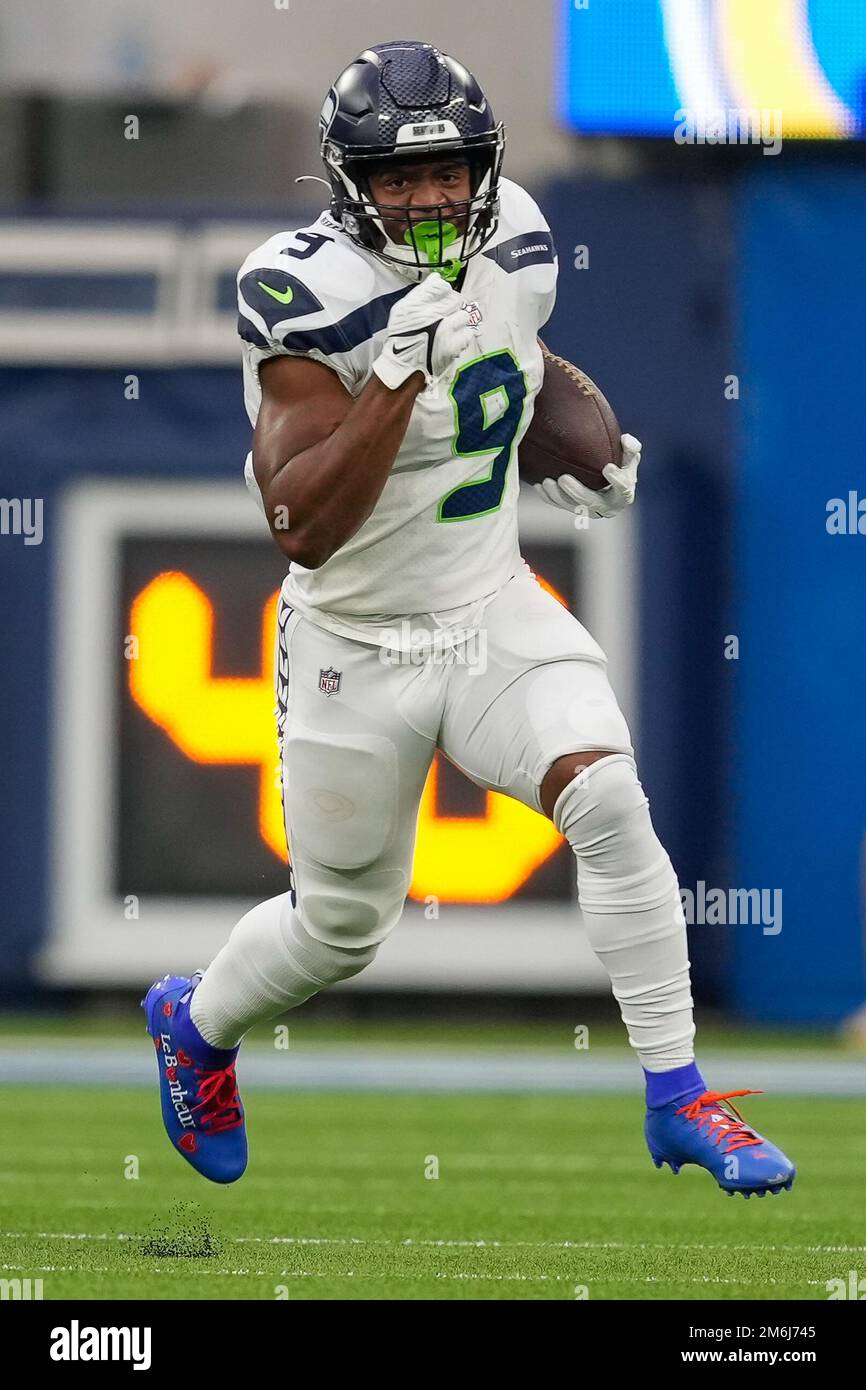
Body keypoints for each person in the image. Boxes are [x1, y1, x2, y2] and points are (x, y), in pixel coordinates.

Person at [143, 40, 795, 1198]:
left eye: (448, 172)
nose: (432, 199)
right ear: (350, 184)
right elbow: (297, 521)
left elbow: (519, 359)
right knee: (340, 927)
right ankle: (195, 1028)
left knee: (602, 792)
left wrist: (585, 438)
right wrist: (392, 373)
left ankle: (677, 1094)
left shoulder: (518, 237)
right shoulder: (303, 291)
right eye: (399, 179)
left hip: (485, 604)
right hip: (354, 645)